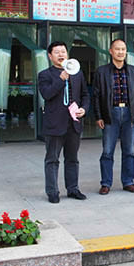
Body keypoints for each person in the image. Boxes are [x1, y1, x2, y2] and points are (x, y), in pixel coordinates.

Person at [38, 41, 90, 203]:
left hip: (74, 123)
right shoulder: (45, 75)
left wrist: (84, 109)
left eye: (63, 51)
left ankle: (73, 189)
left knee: (72, 159)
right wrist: (61, 79)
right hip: (55, 124)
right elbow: (47, 94)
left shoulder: (77, 73)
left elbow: (85, 95)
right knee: (52, 159)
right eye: (57, 52)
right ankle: (52, 192)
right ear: (50, 56)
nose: (61, 55)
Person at [93, 38, 134, 195]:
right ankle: (106, 183)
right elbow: (96, 96)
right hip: (110, 114)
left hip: (129, 114)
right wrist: (98, 116)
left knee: (129, 151)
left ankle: (128, 182)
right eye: (117, 49)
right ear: (111, 51)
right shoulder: (102, 71)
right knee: (107, 151)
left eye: (123, 49)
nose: (120, 52)